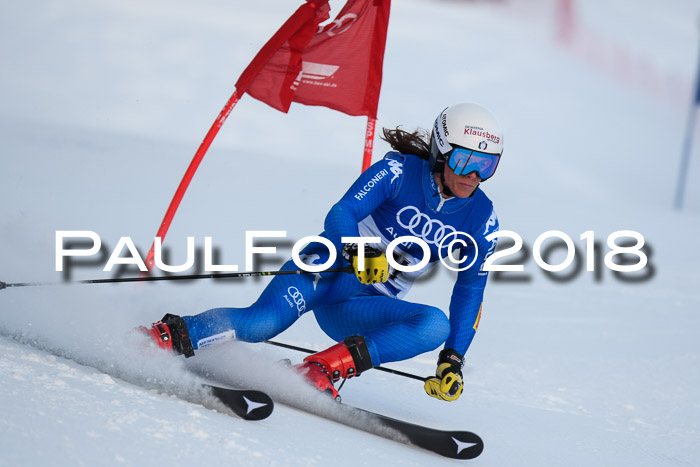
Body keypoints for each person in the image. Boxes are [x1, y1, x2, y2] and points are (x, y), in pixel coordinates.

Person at [141, 102, 502, 402]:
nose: (473, 175)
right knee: (261, 324)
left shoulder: (481, 219)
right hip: (329, 270)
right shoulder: (398, 171)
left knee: (434, 324)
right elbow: (342, 211)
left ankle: (319, 370)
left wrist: (452, 359)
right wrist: (357, 251)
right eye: (464, 161)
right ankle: (170, 335)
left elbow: (471, 289)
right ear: (441, 153)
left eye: (486, 165)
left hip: (360, 307)